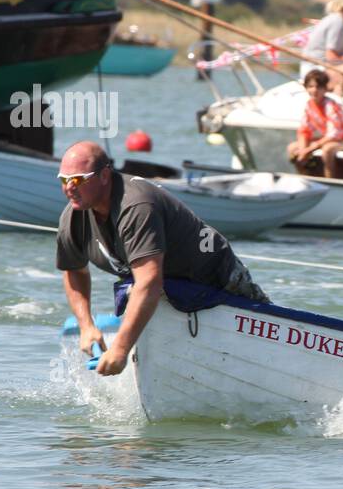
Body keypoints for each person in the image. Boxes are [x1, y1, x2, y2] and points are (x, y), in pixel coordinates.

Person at [56, 141, 269, 377]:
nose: (69, 188)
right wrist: (86, 326)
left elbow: (149, 282)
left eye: (76, 179)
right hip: (164, 284)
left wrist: (120, 348)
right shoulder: (72, 218)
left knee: (263, 330)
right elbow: (74, 270)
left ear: (105, 175)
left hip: (215, 272)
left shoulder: (136, 205)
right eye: (63, 180)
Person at [287, 68, 343, 178]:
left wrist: (310, 149)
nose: (315, 90)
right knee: (293, 148)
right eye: (311, 86)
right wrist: (303, 149)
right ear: (306, 88)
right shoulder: (309, 105)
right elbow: (304, 130)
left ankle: (330, 180)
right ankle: (305, 176)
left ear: (325, 89)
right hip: (332, 138)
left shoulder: (330, 106)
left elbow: (335, 134)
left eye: (318, 87)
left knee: (327, 150)